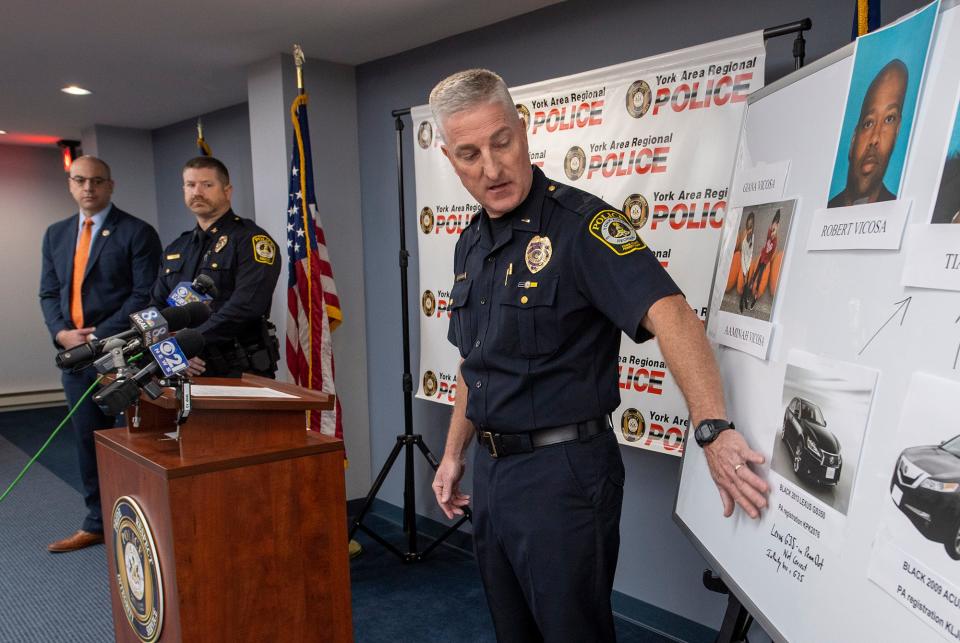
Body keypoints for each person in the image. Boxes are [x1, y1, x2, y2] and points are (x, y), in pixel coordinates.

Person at [428, 69, 768, 642]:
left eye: (501, 142)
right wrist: (452, 454)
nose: (490, 167)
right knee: (514, 632)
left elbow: (673, 315)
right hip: (491, 475)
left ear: (524, 128)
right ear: (449, 157)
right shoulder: (471, 242)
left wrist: (711, 428)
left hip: (563, 475)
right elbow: (474, 363)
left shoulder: (584, 225)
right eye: (469, 154)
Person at [39, 156, 162, 552]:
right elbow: (48, 293)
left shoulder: (137, 232)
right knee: (87, 440)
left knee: (132, 441)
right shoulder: (56, 235)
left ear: (111, 185)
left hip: (121, 355)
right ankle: (96, 520)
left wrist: (98, 339)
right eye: (80, 180)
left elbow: (143, 296)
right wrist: (62, 334)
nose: (88, 188)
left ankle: (146, 523)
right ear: (70, 185)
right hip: (74, 358)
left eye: (96, 181)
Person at [150, 156, 280, 377]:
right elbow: (155, 305)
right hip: (181, 369)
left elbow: (246, 306)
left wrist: (185, 344)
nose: (197, 192)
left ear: (227, 191)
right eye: (191, 185)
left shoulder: (252, 240)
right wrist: (169, 350)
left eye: (207, 185)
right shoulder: (177, 247)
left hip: (236, 369)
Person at [828, 59, 908, 208]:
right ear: (853, 140)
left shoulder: (897, 211)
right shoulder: (824, 210)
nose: (875, 138)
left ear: (896, 133)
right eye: (869, 123)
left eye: (889, 119)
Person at [742, 209, 779, 311]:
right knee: (754, 276)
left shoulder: (774, 242)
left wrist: (767, 261)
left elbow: (771, 253)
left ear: (777, 231)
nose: (772, 232)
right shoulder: (769, 234)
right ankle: (748, 292)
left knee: (759, 280)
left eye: (774, 231)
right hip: (762, 258)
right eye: (772, 229)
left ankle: (754, 299)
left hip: (765, 261)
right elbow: (769, 232)